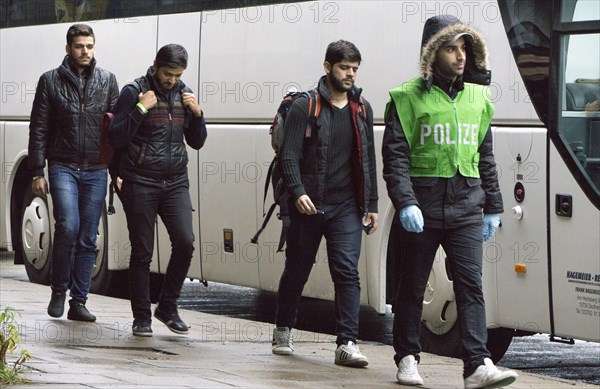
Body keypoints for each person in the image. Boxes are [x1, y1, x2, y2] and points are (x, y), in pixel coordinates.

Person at [382, 15, 519, 388]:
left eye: (464, 48)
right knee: (411, 286)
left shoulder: (478, 97)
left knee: (470, 286)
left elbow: (485, 156)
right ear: (432, 53)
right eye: (451, 48)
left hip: (466, 207)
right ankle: (407, 357)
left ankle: (476, 365)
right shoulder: (406, 97)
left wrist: (493, 206)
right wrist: (405, 202)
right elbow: (394, 158)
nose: (460, 56)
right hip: (422, 208)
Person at [271, 40, 378, 367]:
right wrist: (298, 191)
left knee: (347, 270)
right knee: (297, 269)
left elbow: (367, 159)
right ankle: (283, 328)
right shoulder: (307, 106)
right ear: (327, 66)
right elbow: (289, 155)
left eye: (355, 69)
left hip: (346, 206)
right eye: (344, 68)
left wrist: (371, 204)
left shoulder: (362, 108)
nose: (350, 74)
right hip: (309, 205)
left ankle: (346, 343)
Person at [108, 44, 207, 337]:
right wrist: (141, 108)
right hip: (140, 180)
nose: (172, 80)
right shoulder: (133, 91)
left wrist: (198, 113)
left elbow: (197, 141)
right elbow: (115, 137)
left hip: (175, 181)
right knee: (143, 251)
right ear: (155, 66)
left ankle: (167, 307)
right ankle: (141, 318)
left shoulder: (183, 93)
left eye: (178, 75)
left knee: (186, 242)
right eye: (168, 74)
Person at [28, 24, 119, 322]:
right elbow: (39, 128)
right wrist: (37, 171)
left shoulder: (108, 81)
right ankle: (58, 289)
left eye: (90, 46)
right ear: (68, 48)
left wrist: (117, 171)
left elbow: (115, 131)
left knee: (88, 236)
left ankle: (78, 302)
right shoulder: (50, 81)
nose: (85, 51)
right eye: (80, 46)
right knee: (68, 225)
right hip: (63, 165)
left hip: (95, 168)